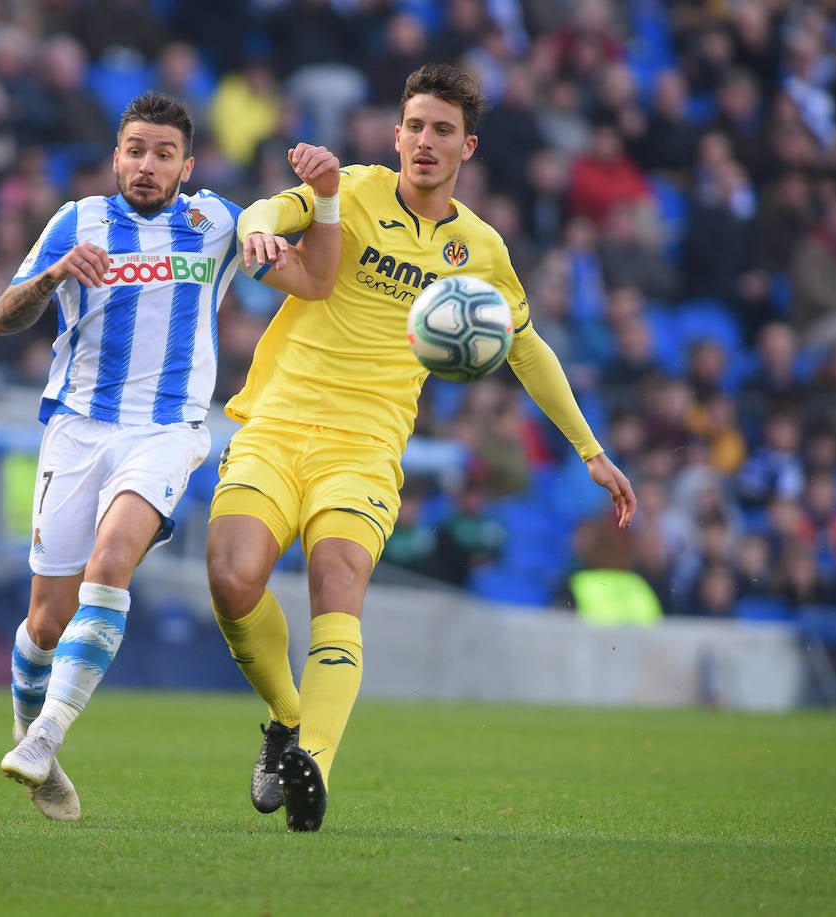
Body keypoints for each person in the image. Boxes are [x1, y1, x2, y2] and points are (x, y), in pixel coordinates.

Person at [205, 63, 637, 833]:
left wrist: (589, 448)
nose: (426, 142)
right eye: (416, 127)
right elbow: (272, 207)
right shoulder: (355, 189)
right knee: (232, 578)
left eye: (444, 130)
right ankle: (285, 719)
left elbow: (526, 347)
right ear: (396, 134)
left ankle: (317, 770)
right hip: (275, 422)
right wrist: (258, 229)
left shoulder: (482, 250)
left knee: (338, 580)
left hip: (366, 446)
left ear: (467, 147)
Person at [0, 91, 340, 821]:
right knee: (45, 624)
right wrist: (54, 275)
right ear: (116, 155)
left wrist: (324, 207)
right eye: (134, 151)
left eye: (162, 154)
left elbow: (314, 281)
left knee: (111, 562)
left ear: (187, 165)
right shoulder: (78, 221)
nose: (145, 166)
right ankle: (32, 739)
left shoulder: (215, 223)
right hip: (77, 428)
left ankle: (47, 734)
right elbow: (3, 316)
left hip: (166, 431)